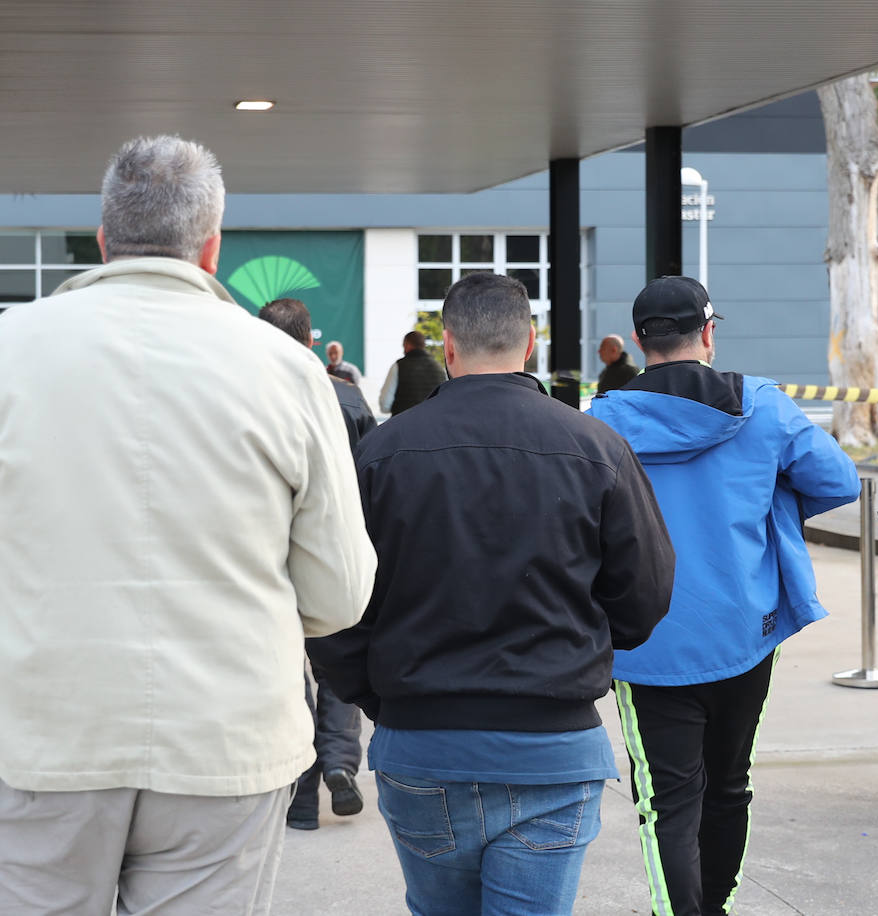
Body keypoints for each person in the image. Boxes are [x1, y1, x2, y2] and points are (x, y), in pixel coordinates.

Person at [0, 135, 376, 913]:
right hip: (224, 740)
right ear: (211, 248)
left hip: (39, 733)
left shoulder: (11, 351)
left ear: (104, 239)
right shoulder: (289, 372)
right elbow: (340, 592)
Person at [308, 272, 675, 914]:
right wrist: (581, 647)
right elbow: (645, 593)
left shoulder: (381, 454)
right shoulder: (597, 447)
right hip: (554, 750)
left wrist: (378, 695)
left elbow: (332, 602)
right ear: (529, 343)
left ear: (446, 346)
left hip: (422, 745)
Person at [590, 275, 860, 915]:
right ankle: (717, 907)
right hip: (745, 630)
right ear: (708, 334)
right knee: (730, 783)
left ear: (638, 341)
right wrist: (773, 497)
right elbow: (838, 479)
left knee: (667, 802)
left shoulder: (601, 421)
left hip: (646, 640)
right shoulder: (762, 404)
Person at [258, 297, 374, 831]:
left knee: (285, 672)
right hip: (333, 548)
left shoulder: (245, 394)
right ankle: (340, 762)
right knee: (337, 662)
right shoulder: (346, 397)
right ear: (310, 341)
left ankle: (301, 795)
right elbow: (375, 478)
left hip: (267, 556)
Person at [379, 329, 446, 415]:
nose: (403, 350)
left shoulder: (398, 366)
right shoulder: (439, 368)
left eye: (403, 346)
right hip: (432, 424)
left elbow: (385, 404)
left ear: (407, 345)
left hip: (404, 424)